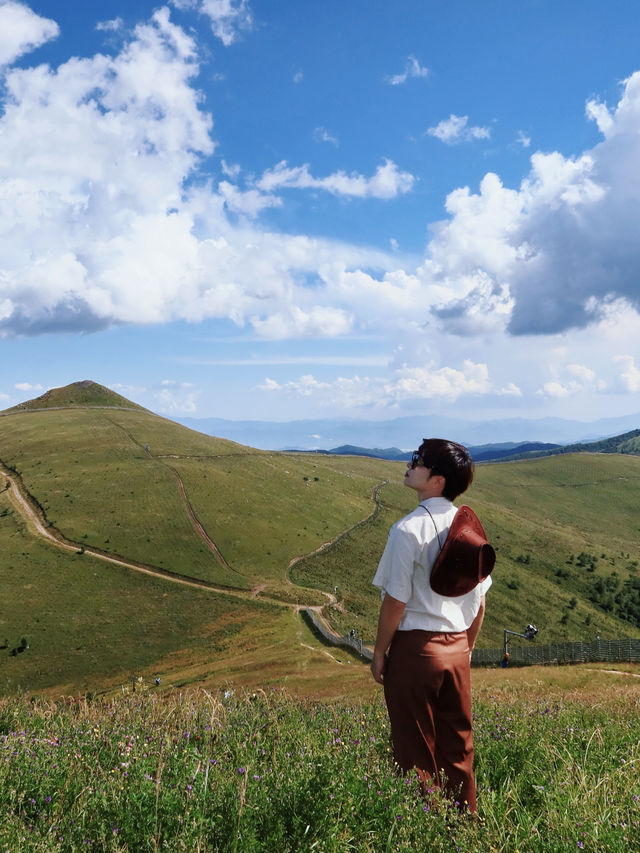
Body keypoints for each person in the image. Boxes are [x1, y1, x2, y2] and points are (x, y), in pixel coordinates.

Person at [370, 438, 492, 813]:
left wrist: (379, 653)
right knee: (459, 746)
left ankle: (423, 829)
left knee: (414, 749)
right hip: (457, 647)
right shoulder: (470, 532)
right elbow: (479, 602)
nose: (410, 464)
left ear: (436, 480)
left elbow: (396, 601)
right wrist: (464, 649)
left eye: (418, 461)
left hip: (415, 651)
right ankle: (463, 825)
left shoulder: (407, 530)